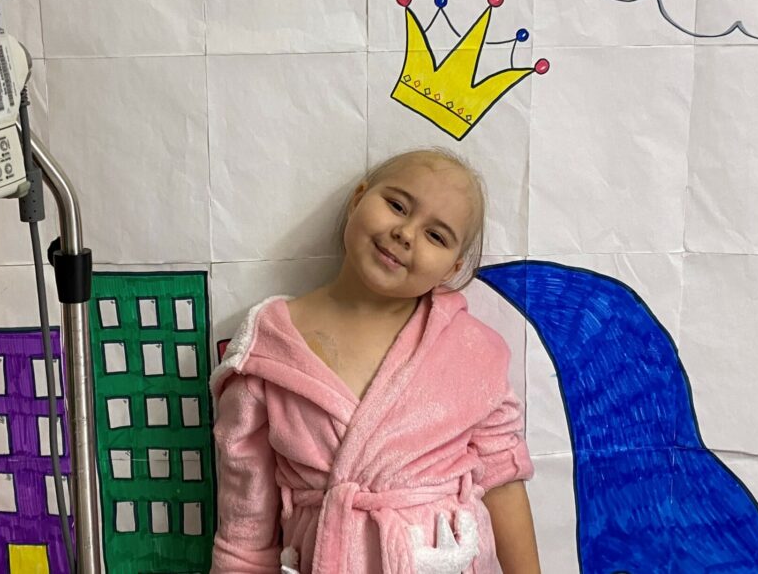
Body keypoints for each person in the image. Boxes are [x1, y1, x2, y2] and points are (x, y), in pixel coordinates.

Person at [210, 149, 540, 573]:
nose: (405, 233)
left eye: (436, 236)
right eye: (397, 205)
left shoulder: (471, 352)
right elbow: (245, 529)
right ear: (358, 199)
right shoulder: (269, 348)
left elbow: (503, 478)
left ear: (451, 269)